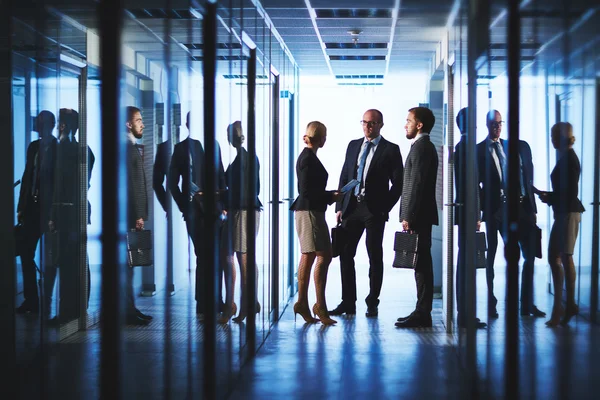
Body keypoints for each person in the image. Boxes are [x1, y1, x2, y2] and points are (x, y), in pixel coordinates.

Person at [330, 109, 404, 318]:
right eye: (364, 122)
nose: (367, 127)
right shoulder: (353, 145)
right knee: (345, 253)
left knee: (374, 255)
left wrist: (384, 208)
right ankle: (348, 302)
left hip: (374, 211)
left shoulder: (391, 149)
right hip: (352, 208)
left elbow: (398, 184)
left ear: (381, 124)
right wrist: (339, 207)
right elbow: (344, 176)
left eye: (372, 123)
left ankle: (372, 301)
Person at [477, 110, 544, 319]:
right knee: (491, 257)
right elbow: (476, 184)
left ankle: (526, 303)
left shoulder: (519, 147)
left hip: (520, 208)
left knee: (529, 255)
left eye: (499, 123)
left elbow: (527, 180)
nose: (497, 127)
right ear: (487, 125)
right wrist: (478, 213)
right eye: (493, 124)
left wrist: (532, 208)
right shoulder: (479, 151)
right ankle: (491, 302)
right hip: (495, 209)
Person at [168, 112, 226, 317]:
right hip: (195, 213)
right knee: (203, 256)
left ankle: (215, 300)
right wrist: (185, 206)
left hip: (215, 212)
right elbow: (172, 183)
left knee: (214, 256)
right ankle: (204, 302)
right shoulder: (181, 149)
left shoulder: (214, 146)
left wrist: (223, 206)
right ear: (187, 124)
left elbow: (221, 177)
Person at [45, 108, 95, 323]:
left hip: (64, 212)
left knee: (64, 263)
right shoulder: (85, 150)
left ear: (63, 126)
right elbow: (86, 182)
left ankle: (66, 312)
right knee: (80, 260)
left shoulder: (58, 150)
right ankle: (80, 307)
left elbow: (55, 186)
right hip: (80, 210)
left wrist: (52, 215)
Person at [290, 121, 342, 325]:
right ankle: (318, 305)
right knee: (323, 255)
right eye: (325, 135)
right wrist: (330, 196)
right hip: (310, 212)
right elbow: (307, 192)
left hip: (310, 211)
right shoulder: (307, 159)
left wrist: (329, 196)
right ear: (321, 138)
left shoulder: (308, 157)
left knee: (310, 255)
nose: (326, 139)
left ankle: (304, 302)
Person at [395, 107, 439, 328]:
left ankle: (423, 313)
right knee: (420, 263)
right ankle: (421, 311)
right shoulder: (420, 146)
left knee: (421, 264)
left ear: (419, 124)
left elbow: (417, 185)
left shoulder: (423, 148)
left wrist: (408, 215)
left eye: (408, 120)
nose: (406, 124)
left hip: (419, 215)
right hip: (418, 214)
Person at [537, 122, 584, 326]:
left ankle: (564, 305)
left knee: (562, 257)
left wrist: (549, 197)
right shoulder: (567, 158)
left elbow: (569, 194)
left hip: (567, 213)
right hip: (565, 213)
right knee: (559, 257)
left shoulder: (569, 160)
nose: (551, 139)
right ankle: (564, 305)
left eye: (553, 136)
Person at [219, 121, 262, 323]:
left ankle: (238, 305)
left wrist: (226, 199)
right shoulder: (247, 158)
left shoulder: (244, 160)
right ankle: (247, 303)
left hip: (243, 212)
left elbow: (246, 191)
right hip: (246, 211)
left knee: (239, 258)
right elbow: (256, 189)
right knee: (242, 257)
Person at [16, 110, 58, 314]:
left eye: (42, 123)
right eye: (38, 122)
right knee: (26, 252)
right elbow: (27, 178)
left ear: (51, 125)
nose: (39, 126)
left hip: (48, 209)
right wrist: (21, 207)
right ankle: (31, 300)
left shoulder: (58, 148)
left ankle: (49, 301)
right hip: (32, 208)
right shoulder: (33, 147)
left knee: (51, 258)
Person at [453, 108, 486, 329]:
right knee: (466, 262)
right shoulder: (466, 148)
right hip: (467, 211)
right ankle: (465, 314)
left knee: (465, 261)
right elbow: (470, 185)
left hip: (466, 211)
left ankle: (465, 312)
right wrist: (476, 213)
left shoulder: (463, 147)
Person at [125, 106, 152, 325]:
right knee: (128, 266)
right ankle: (127, 310)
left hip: (134, 216)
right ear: (128, 124)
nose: (142, 124)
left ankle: (130, 308)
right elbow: (131, 186)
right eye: (138, 120)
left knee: (131, 265)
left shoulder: (132, 147)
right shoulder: (127, 148)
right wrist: (138, 215)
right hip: (131, 217)